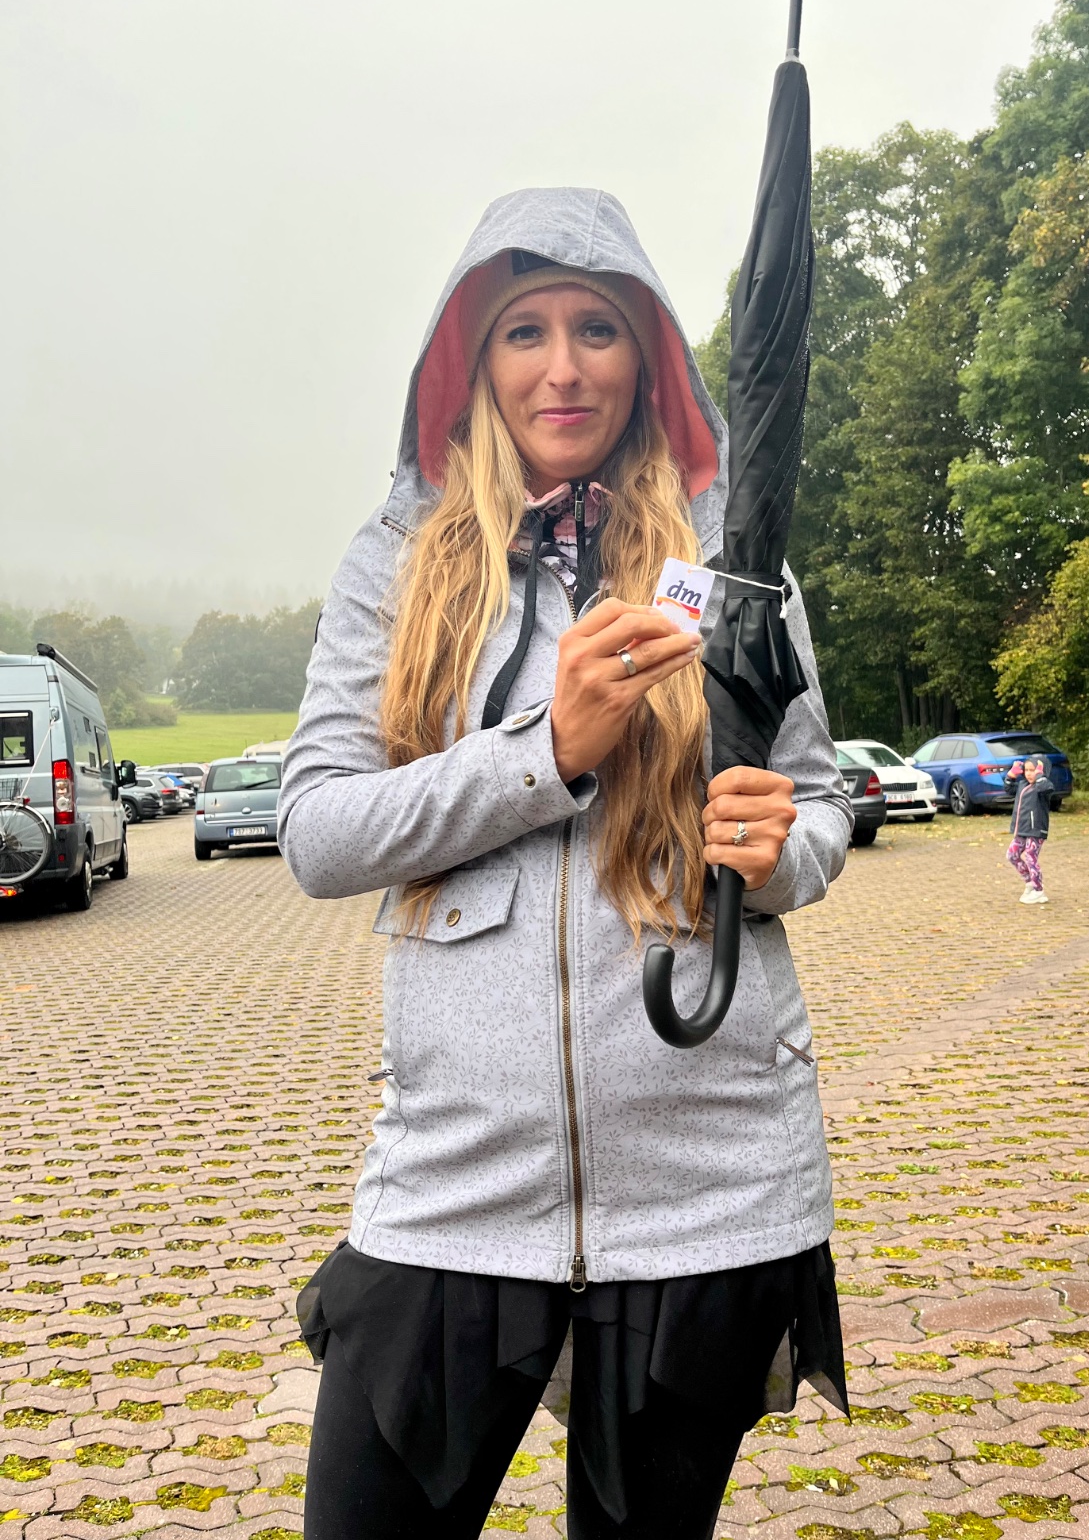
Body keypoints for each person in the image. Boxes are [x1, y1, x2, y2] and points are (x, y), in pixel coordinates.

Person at [278, 187, 855, 1540]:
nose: (562, 367)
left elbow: (820, 807)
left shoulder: (734, 563)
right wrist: (550, 750)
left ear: (645, 358)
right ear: (472, 358)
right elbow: (317, 831)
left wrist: (775, 853)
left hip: (707, 1181)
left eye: (597, 328)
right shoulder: (397, 564)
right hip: (456, 1184)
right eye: (524, 330)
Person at [1004, 754, 1055, 904]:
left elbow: (1044, 787)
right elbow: (1008, 789)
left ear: (1041, 770)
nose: (1029, 774)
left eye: (1032, 770)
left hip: (1036, 829)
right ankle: (1030, 883)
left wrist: (1039, 776)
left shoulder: (1044, 786)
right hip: (1022, 829)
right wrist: (1011, 775)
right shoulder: (1022, 785)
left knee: (1030, 857)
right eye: (1026, 770)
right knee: (1012, 855)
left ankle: (1039, 891)